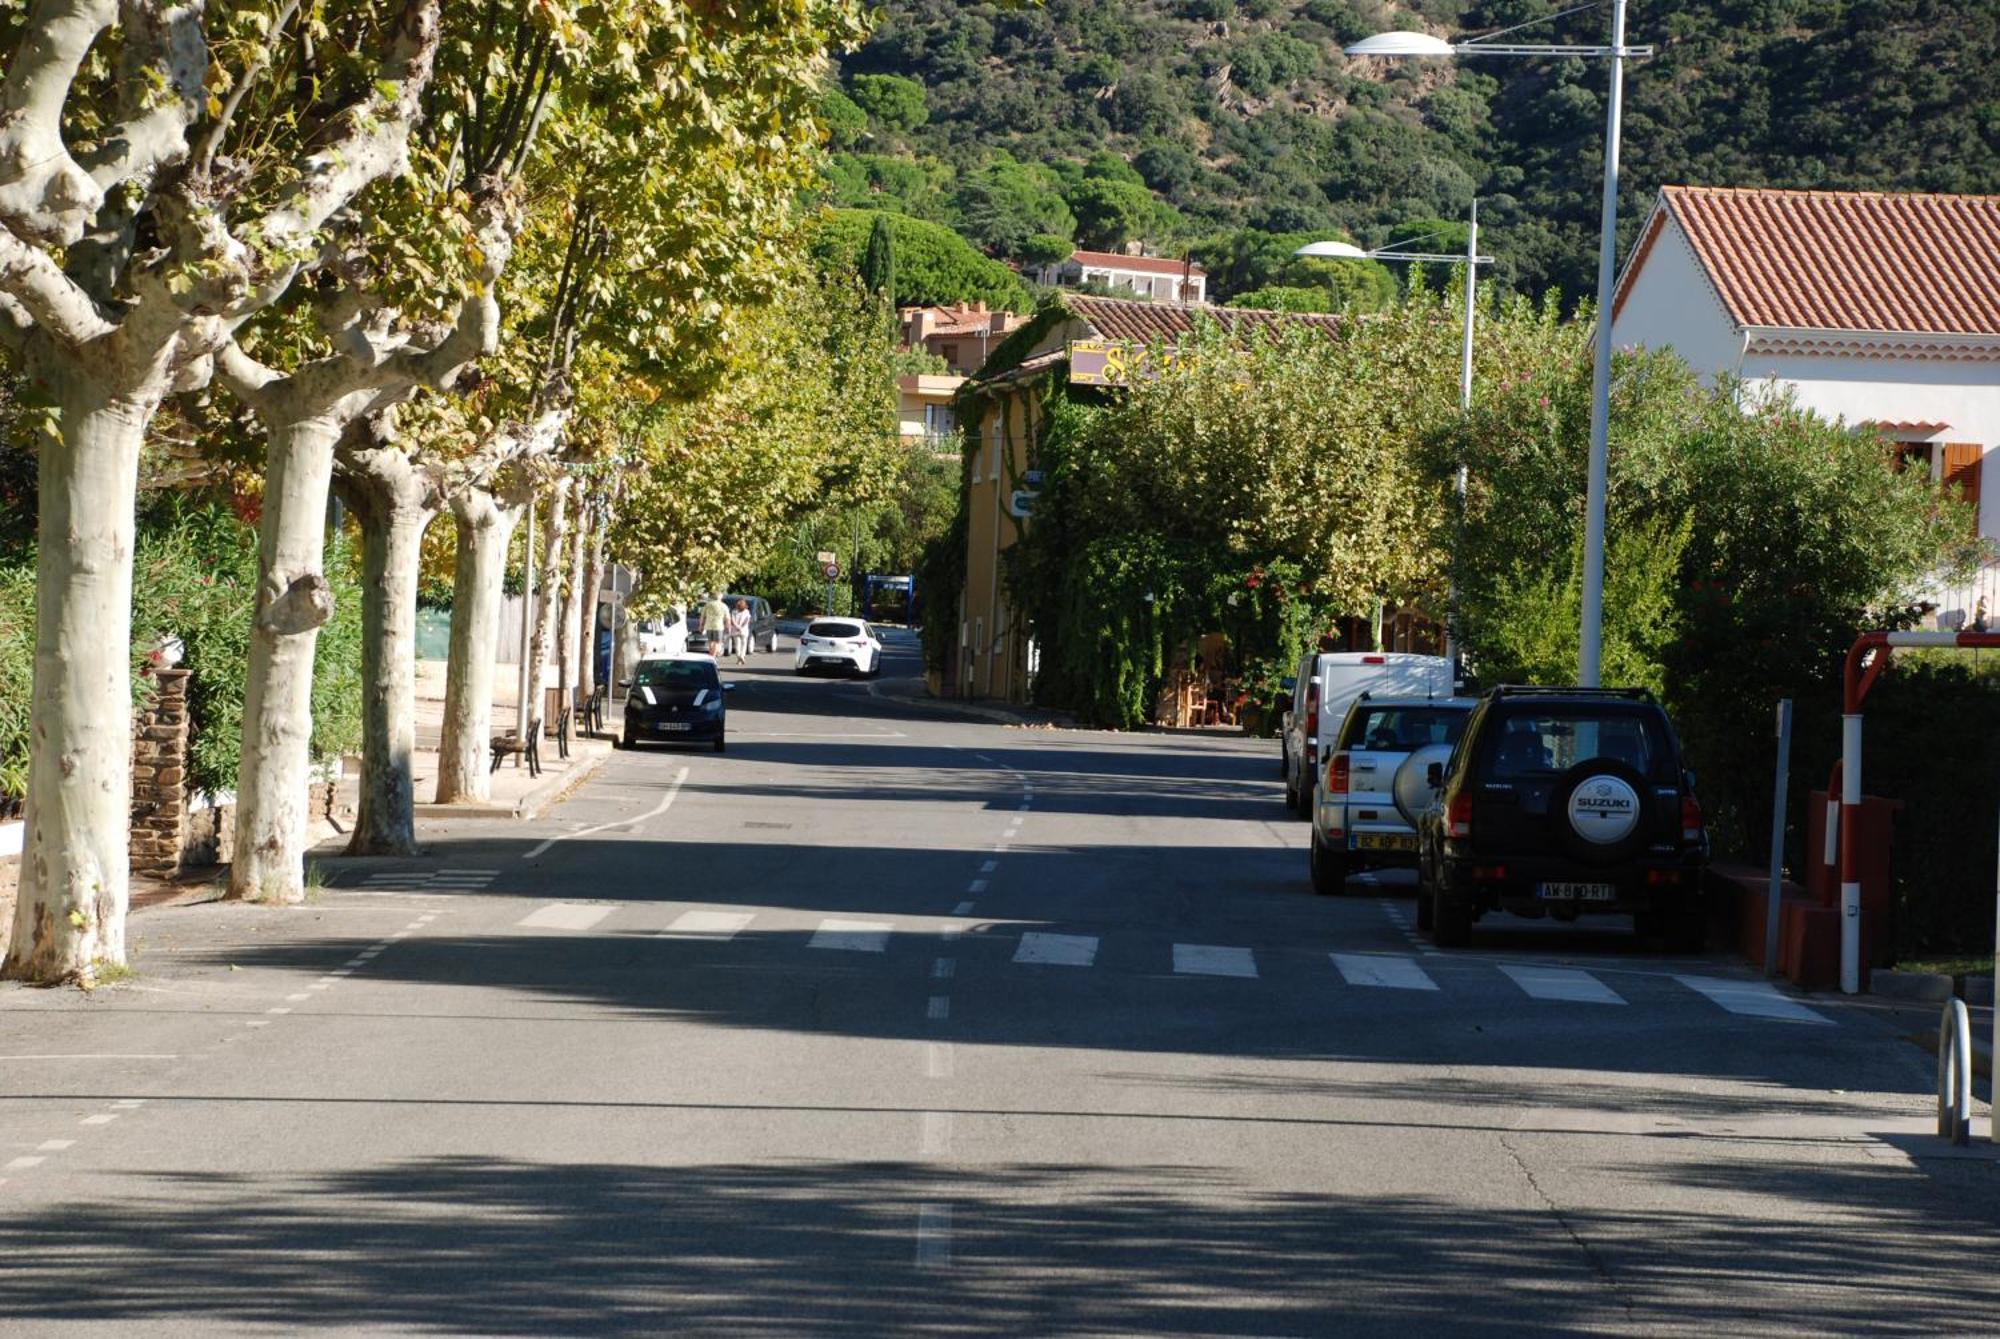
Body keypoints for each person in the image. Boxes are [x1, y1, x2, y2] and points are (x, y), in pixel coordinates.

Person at [699, 592, 728, 656]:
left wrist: (701, 626)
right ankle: (713, 656)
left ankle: (711, 654)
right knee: (717, 642)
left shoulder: (707, 605)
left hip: (708, 626)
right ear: (721, 597)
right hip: (718, 626)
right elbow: (727, 618)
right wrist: (728, 626)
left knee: (711, 642)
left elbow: (702, 616)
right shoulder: (724, 606)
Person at [726, 599, 753, 664]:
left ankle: (739, 658)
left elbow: (732, 620)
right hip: (744, 630)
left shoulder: (734, 611)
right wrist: (741, 627)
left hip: (735, 630)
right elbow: (747, 620)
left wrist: (737, 626)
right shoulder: (747, 611)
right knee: (744, 645)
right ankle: (742, 656)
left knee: (737, 645)